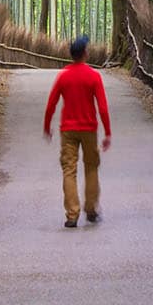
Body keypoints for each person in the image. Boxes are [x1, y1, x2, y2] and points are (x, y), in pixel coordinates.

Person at [42, 34, 112, 228]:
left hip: (68, 130)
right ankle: (90, 210)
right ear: (85, 54)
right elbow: (103, 108)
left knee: (69, 170)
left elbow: (51, 104)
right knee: (91, 168)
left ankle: (72, 214)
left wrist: (47, 126)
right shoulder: (94, 76)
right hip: (89, 129)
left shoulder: (63, 76)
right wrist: (107, 133)